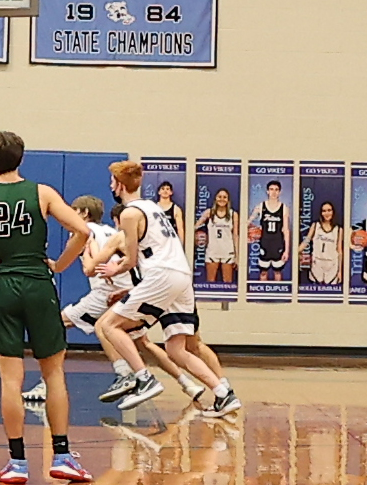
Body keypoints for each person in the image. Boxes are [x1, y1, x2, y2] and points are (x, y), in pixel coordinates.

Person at [0, 131, 93, 485]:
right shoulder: (42, 193)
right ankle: (61, 457)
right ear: (21, 159)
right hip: (39, 284)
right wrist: (60, 265)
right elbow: (82, 231)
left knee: (11, 379)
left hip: (3, 287)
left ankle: (17, 462)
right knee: (53, 373)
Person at [22, 196, 205, 406]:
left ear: (84, 213)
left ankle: (115, 375)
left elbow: (89, 268)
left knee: (57, 323)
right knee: (142, 342)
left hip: (105, 293)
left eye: (74, 210)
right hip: (129, 290)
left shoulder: (82, 232)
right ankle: (187, 384)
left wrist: (55, 263)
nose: (70, 214)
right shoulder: (110, 231)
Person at [95, 161, 241, 418]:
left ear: (119, 185)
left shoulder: (129, 214)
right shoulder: (153, 207)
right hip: (181, 276)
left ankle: (143, 378)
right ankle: (223, 393)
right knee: (176, 349)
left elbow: (130, 260)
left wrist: (113, 270)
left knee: (108, 325)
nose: (110, 185)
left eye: (112, 181)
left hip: (161, 274)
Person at [247, 181, 289, 282]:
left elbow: (286, 230)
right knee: (263, 272)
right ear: (267, 191)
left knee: (277, 272)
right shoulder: (261, 206)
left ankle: (277, 291)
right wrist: (248, 233)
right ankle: (262, 291)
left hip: (278, 244)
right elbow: (247, 222)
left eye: (276, 190)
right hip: (265, 244)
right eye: (271, 189)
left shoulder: (284, 208)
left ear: (280, 192)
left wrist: (287, 250)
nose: (274, 192)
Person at [195, 188, 238, 284]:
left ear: (228, 200)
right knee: (210, 282)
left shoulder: (233, 214)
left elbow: (235, 235)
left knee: (228, 283)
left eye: (224, 197)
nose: (222, 199)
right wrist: (198, 236)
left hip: (227, 251)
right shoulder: (209, 213)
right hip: (212, 251)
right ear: (215, 198)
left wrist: (237, 256)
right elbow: (195, 227)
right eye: (219, 197)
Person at [301, 202, 342, 286]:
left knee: (330, 291)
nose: (327, 213)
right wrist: (297, 251)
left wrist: (340, 271)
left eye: (329, 210)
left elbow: (339, 251)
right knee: (316, 289)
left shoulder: (338, 229)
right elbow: (306, 241)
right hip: (317, 264)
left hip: (332, 265)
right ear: (321, 213)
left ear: (333, 212)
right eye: (324, 211)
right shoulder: (315, 226)